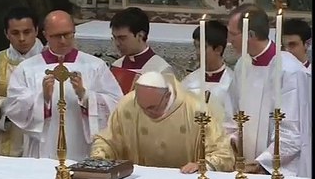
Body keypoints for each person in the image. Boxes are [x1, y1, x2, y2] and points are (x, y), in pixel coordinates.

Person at [5, 10, 123, 161]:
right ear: (45, 35)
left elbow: (117, 104)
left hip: (81, 147)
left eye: (68, 34)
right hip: (43, 148)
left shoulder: (94, 65)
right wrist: (43, 99)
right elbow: (14, 107)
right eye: (56, 36)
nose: (63, 41)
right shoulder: (27, 68)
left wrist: (86, 96)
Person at [225, 4, 310, 177]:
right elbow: (231, 115)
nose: (229, 40)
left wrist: (260, 164)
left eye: (233, 34)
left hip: (279, 173)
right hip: (243, 169)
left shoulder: (289, 70)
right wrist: (230, 147)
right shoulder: (243, 64)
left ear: (250, 35)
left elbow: (292, 132)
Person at [90, 72, 235, 173]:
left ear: (167, 96)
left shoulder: (195, 109)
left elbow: (222, 152)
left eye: (152, 107)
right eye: (142, 108)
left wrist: (204, 165)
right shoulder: (129, 104)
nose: (147, 112)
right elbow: (109, 139)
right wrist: (99, 155)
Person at [0, 7, 44, 157]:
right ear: (6, 34)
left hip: (44, 138)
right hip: (10, 137)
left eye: (27, 32)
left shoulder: (51, 63)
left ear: (36, 31)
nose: (22, 38)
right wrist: (6, 106)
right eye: (15, 33)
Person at [109, 7, 174, 94]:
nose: (117, 43)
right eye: (114, 37)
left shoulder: (161, 70)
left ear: (140, 35)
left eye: (122, 38)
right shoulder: (116, 66)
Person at [181, 20, 234, 119]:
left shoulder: (232, 83)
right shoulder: (188, 82)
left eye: (203, 47)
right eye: (196, 46)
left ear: (218, 49)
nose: (198, 52)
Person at [282, 19, 312, 178]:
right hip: (285, 152)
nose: (287, 51)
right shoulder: (279, 75)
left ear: (307, 44)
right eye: (284, 46)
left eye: (292, 45)